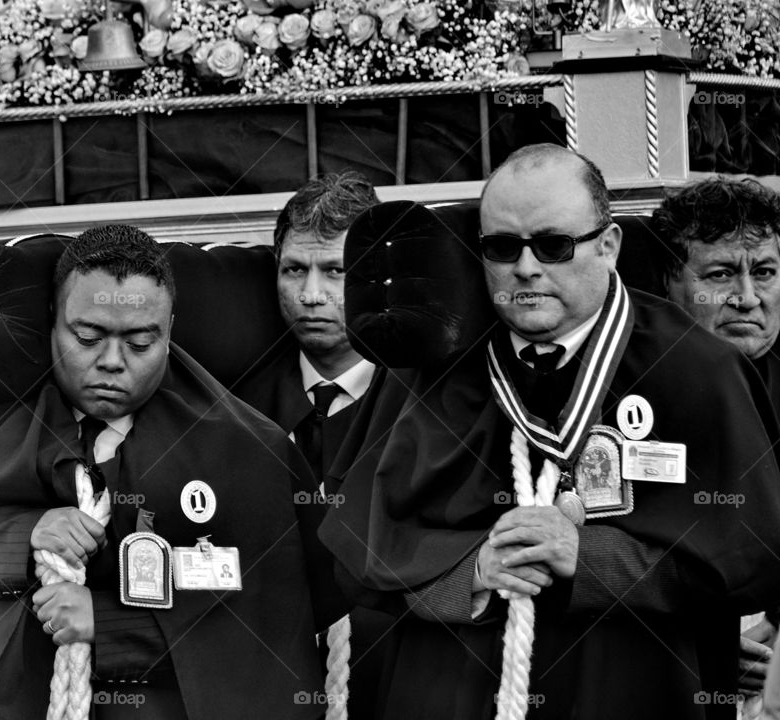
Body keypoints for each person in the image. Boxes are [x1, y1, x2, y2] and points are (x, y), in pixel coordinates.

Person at [319, 144, 780, 720]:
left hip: (632, 688)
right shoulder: (428, 371)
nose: (527, 267)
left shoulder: (697, 370)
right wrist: (471, 571)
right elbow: (354, 551)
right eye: (502, 247)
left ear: (608, 246)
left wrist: (585, 557)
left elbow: (749, 558)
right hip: (451, 686)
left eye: (555, 245)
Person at [0, 225, 339, 720]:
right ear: (53, 321)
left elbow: (266, 621)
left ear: (170, 330)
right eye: (88, 337)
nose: (112, 363)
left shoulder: (242, 448)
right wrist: (26, 535)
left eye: (140, 343)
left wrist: (111, 622)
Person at [233, 172, 387, 720]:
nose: (312, 295)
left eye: (336, 271)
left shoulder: (423, 403)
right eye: (294, 269)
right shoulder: (237, 410)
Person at [653, 176, 780, 705]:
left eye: (766, 273)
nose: (747, 298)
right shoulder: (622, 391)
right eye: (722, 274)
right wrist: (702, 641)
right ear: (669, 282)